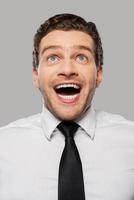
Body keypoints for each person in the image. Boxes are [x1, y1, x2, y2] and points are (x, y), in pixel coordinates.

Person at [0, 13, 134, 200]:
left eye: (81, 57)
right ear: (35, 75)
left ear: (99, 74)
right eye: (53, 57)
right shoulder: (3, 146)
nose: (67, 70)